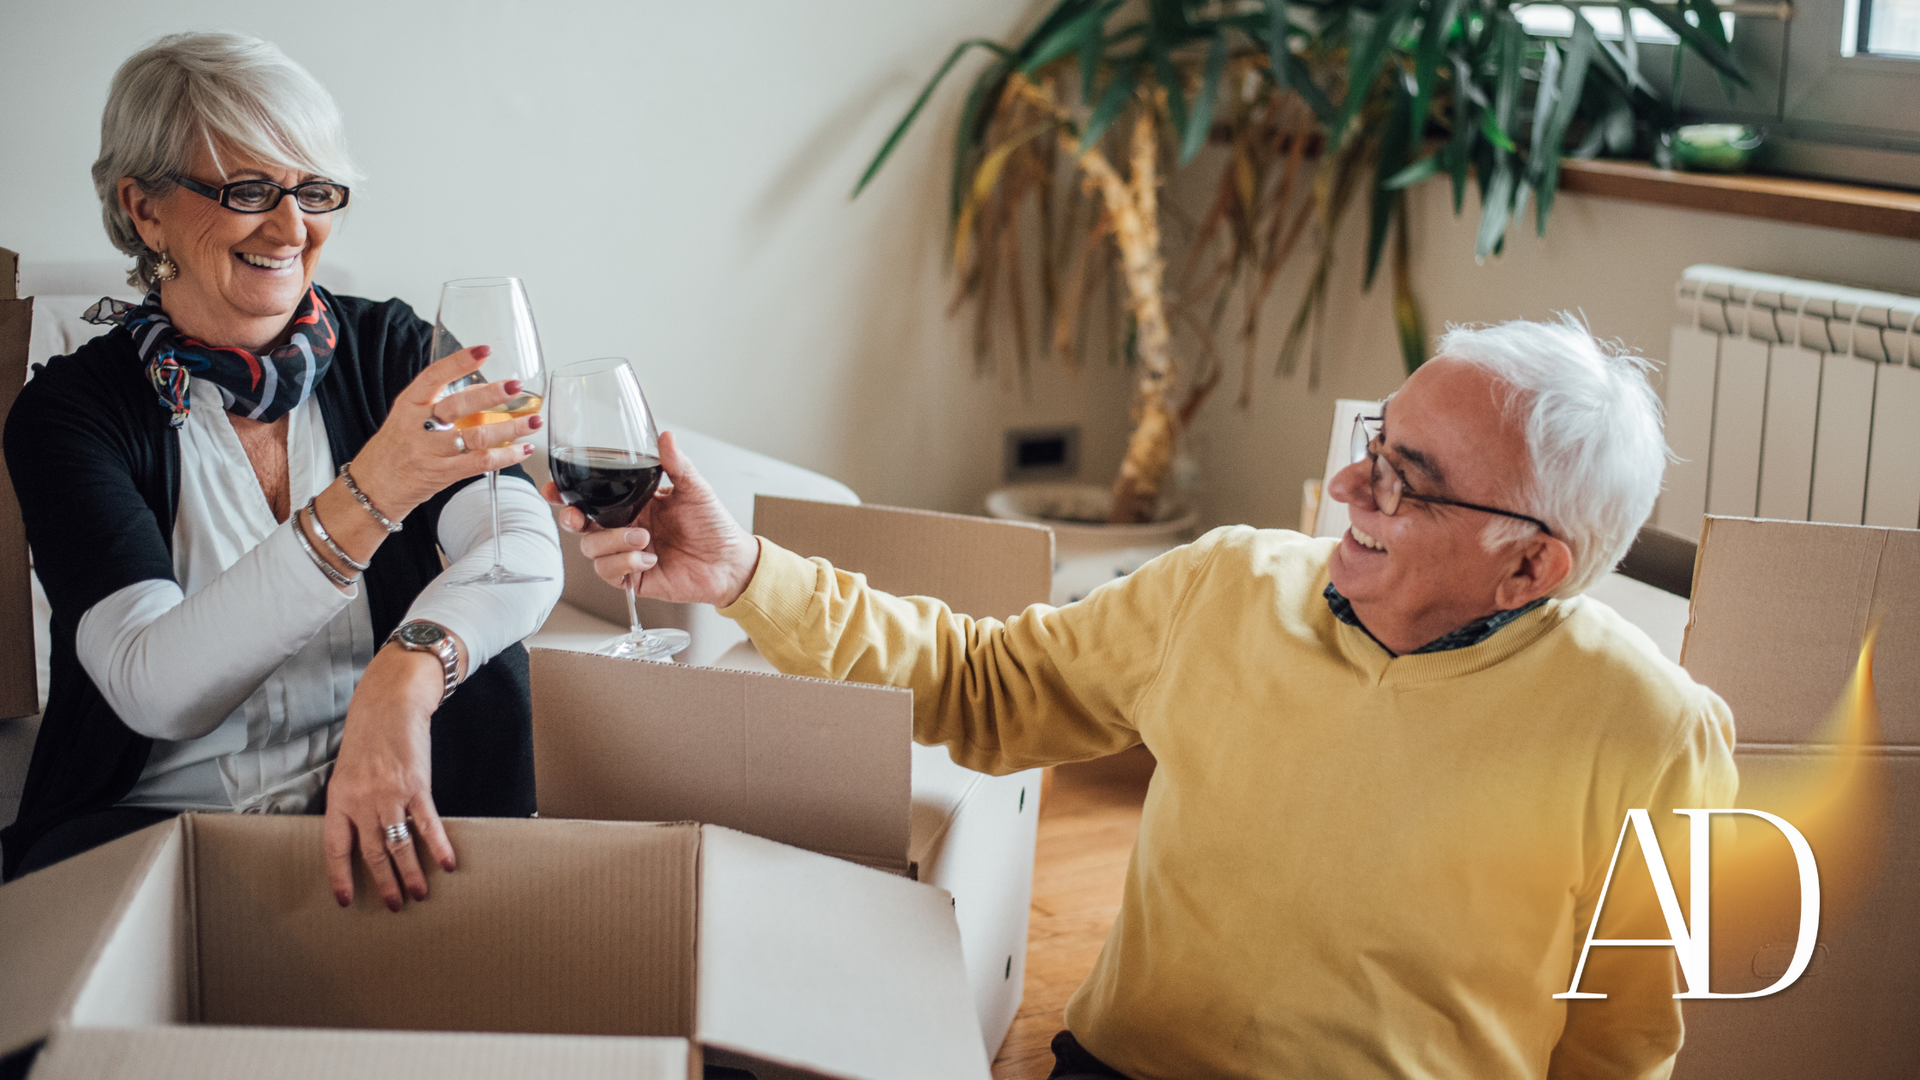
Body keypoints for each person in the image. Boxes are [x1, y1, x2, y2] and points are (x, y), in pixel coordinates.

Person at [550, 317, 1739, 1080]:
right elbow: (987, 684)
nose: (1343, 486)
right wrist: (749, 574)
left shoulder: (1654, 730)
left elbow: (1624, 1036)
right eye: (1373, 444)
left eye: (1402, 481)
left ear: (1533, 564)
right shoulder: (1226, 586)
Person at [1, 32, 563, 914]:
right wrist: (370, 495)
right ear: (144, 210)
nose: (293, 229)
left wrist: (404, 677)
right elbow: (154, 687)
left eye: (315, 190)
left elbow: (521, 542)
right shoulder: (69, 413)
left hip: (400, 817)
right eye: (247, 190)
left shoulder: (390, 349)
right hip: (154, 835)